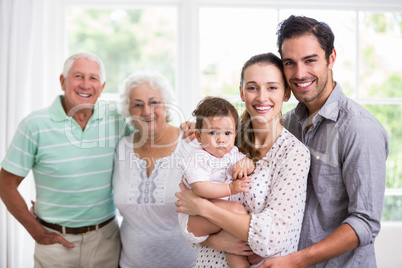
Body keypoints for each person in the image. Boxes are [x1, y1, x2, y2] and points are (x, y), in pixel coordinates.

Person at [258, 15, 389, 267]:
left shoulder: (359, 128)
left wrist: (296, 260)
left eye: (310, 60)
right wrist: (197, 132)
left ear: (331, 58)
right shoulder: (287, 124)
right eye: (289, 63)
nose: (299, 73)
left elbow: (364, 222)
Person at [175, 52, 311, 267]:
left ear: (286, 94)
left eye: (272, 87)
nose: (261, 97)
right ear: (241, 92)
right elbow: (186, 216)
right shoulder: (224, 139)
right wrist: (214, 240)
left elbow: (271, 239)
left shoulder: (293, 154)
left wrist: (204, 208)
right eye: (252, 87)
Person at [0, 52, 130, 267]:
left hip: (106, 241)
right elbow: (5, 183)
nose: (86, 85)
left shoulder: (117, 121)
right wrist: (37, 233)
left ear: (102, 86)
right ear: (63, 81)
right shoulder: (34, 125)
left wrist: (188, 131)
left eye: (93, 78)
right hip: (54, 245)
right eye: (78, 76)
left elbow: (154, 136)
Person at [112, 70, 197, 268]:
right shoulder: (122, 147)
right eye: (138, 105)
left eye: (154, 102)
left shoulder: (191, 143)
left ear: (166, 106)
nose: (147, 111)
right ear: (129, 111)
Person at [178, 96, 255, 267]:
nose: (221, 139)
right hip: (193, 218)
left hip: (213, 214)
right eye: (213, 133)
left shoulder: (232, 153)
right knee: (237, 212)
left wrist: (246, 164)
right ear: (198, 136)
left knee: (234, 238)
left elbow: (249, 164)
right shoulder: (197, 157)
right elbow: (200, 188)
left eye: (227, 133)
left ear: (235, 134)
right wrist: (230, 188)